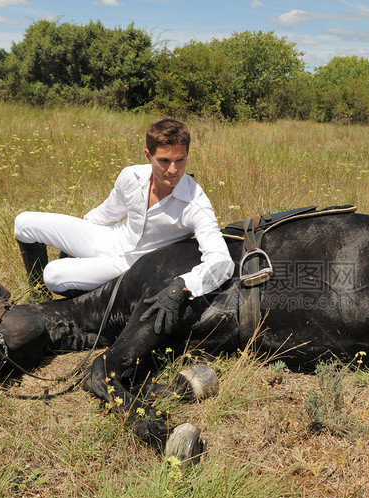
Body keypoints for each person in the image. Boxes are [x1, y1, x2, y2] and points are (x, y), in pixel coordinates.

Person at [13, 118, 234, 335]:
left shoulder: (195, 204)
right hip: (108, 237)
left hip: (128, 266)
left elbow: (221, 260)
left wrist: (184, 286)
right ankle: (38, 296)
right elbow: (106, 213)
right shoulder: (131, 176)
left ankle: (89, 306)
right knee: (23, 223)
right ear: (148, 155)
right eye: (164, 161)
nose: (173, 170)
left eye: (181, 160)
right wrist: (71, 243)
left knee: (53, 274)